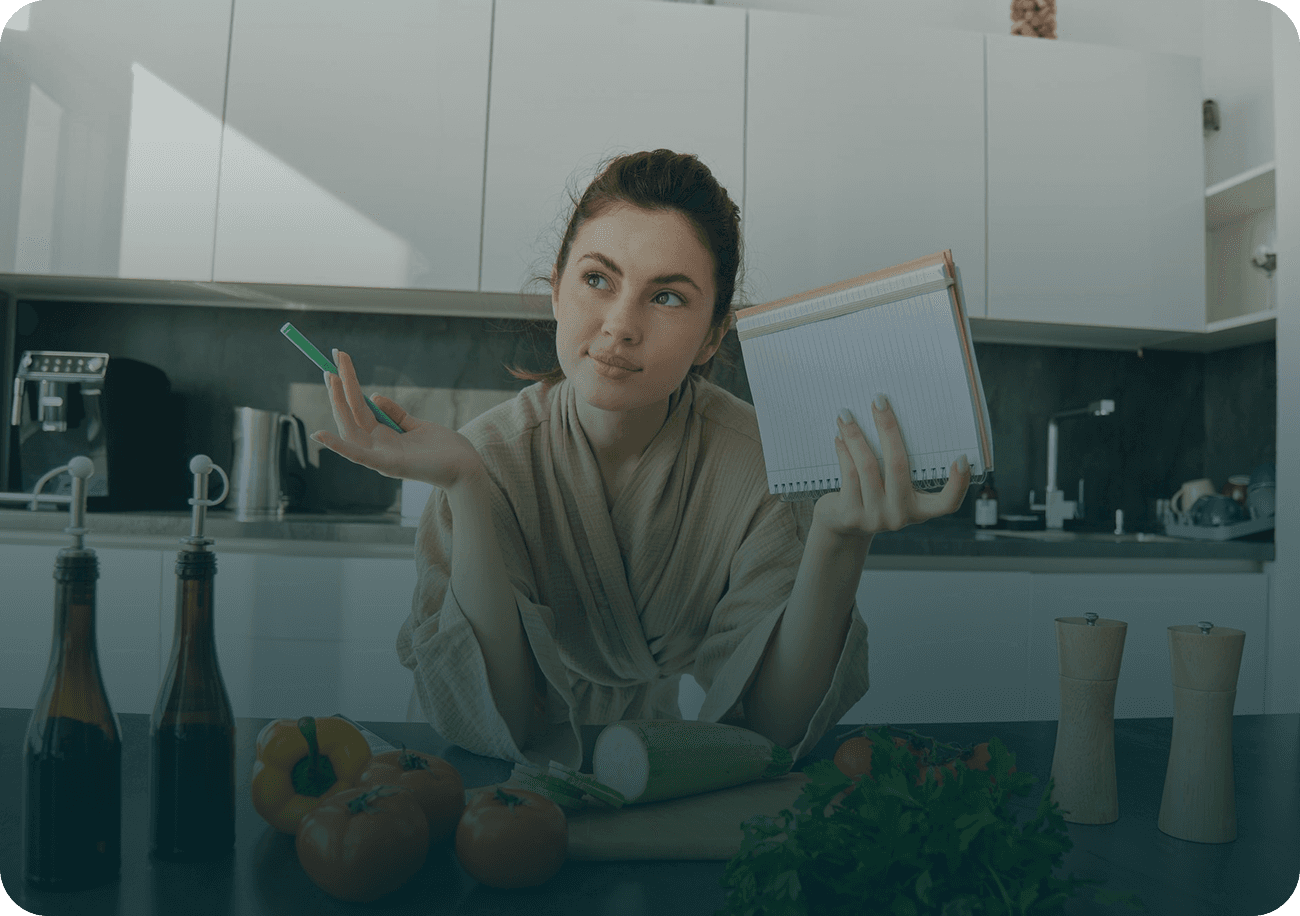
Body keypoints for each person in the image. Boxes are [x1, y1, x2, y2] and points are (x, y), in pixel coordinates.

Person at [310, 149, 971, 769]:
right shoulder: (482, 456)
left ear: (714, 333)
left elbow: (769, 728)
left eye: (667, 296)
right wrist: (466, 485)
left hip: (650, 751)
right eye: (598, 279)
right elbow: (500, 717)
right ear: (556, 291)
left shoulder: (760, 468)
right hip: (485, 774)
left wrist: (838, 540)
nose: (621, 324)